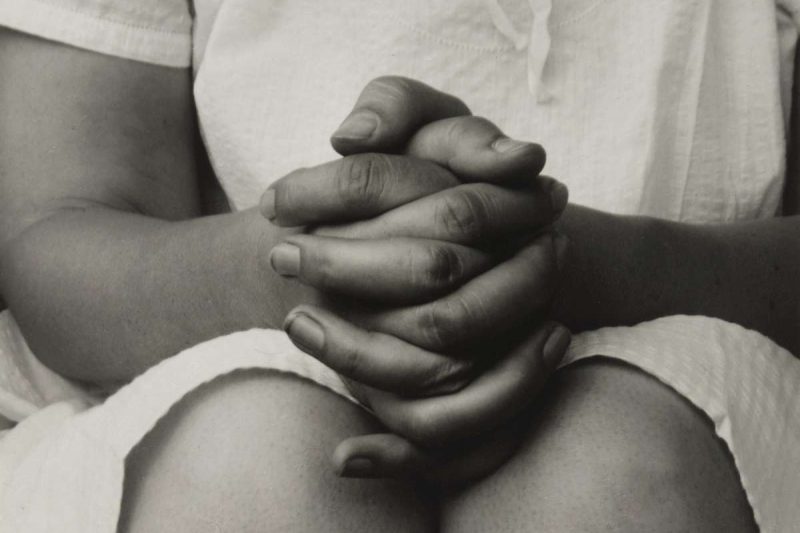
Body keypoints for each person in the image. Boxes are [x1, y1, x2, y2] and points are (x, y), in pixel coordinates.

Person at [0, 1, 798, 531]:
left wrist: (562, 271)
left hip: (691, 332)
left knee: (616, 474)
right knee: (258, 473)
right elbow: (56, 232)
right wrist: (308, 270)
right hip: (219, 340)